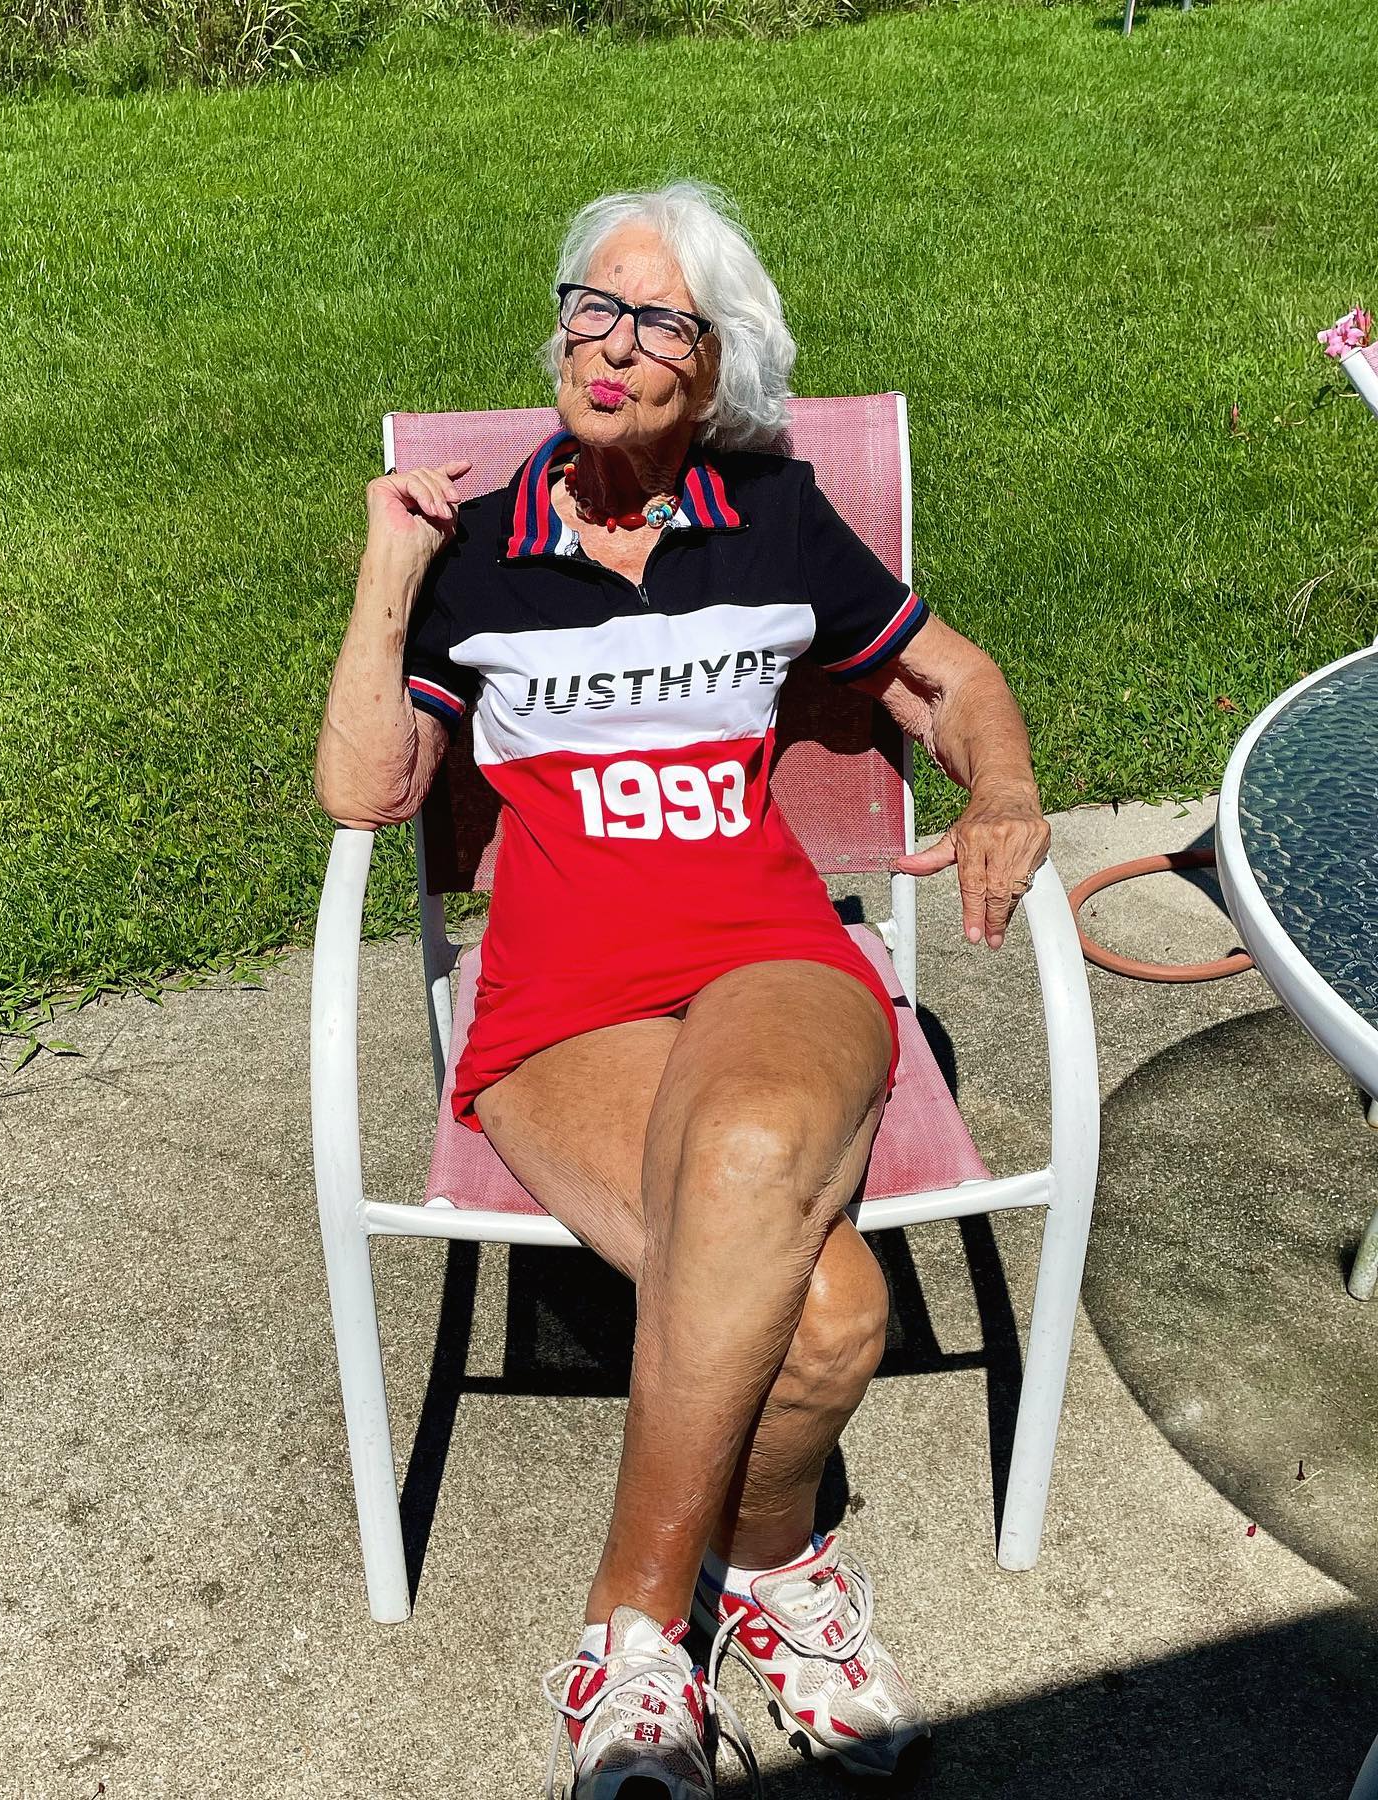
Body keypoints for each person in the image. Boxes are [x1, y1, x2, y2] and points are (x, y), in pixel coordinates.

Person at [315, 180, 1050, 1799]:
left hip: (774, 955)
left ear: (714, 374)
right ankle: (780, 1572)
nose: (611, 343)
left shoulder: (769, 520)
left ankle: (636, 1626)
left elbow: (949, 677)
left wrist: (998, 786)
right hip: (561, 1004)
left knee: (742, 1167)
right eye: (593, 304)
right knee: (835, 1311)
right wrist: (386, 572)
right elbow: (369, 792)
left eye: (659, 323)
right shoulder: (479, 550)